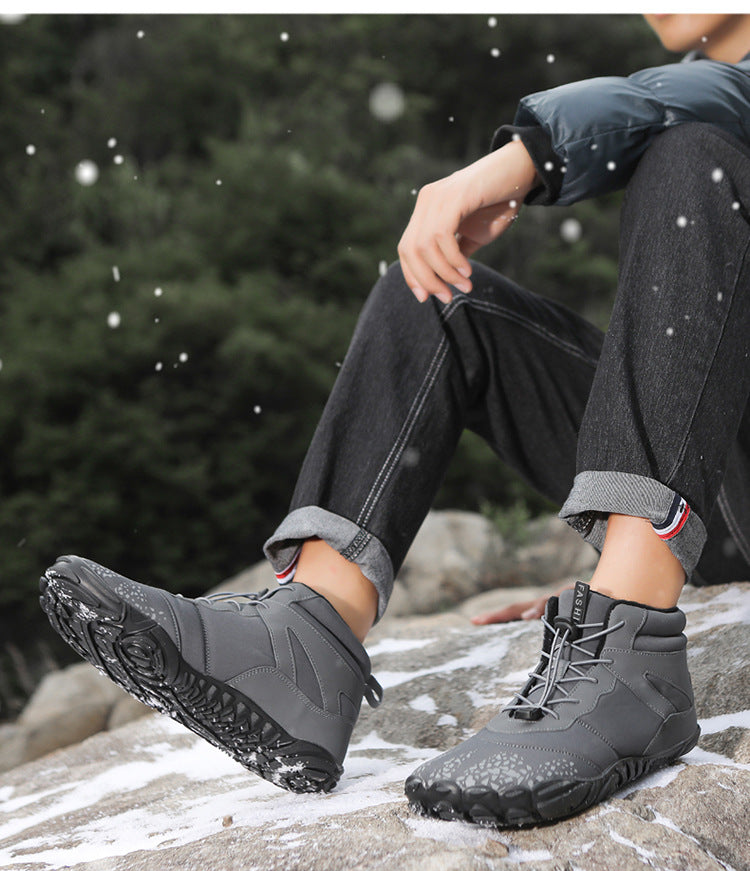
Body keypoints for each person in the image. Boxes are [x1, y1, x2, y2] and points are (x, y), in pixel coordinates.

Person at [40, 14, 750, 825]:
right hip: (723, 480)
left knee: (695, 156)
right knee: (439, 291)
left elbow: (724, 99)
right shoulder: (701, 87)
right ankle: (307, 635)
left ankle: (628, 650)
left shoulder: (713, 104)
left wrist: (524, 157)